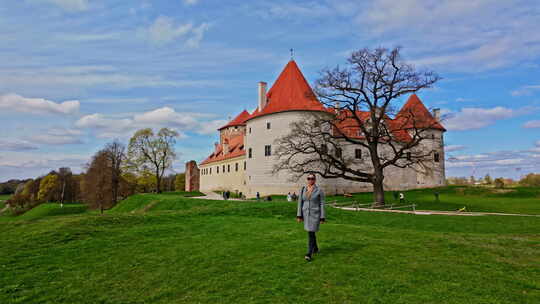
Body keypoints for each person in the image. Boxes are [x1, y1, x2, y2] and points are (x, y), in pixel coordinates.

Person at [297, 173, 326, 261]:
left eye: (312, 178)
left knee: (310, 232)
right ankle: (315, 248)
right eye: (309, 178)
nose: (310, 180)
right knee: (311, 232)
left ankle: (309, 253)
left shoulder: (319, 190)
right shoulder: (303, 189)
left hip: (315, 215)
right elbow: (300, 202)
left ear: (315, 180)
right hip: (306, 214)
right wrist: (299, 215)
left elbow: (322, 204)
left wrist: (322, 217)